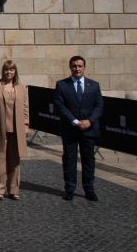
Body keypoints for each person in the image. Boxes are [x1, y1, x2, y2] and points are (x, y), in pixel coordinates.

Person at [54, 55, 104, 202]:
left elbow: (99, 105)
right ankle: (69, 189)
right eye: (74, 66)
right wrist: (75, 121)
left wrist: (90, 121)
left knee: (88, 160)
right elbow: (60, 105)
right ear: (70, 67)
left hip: (89, 129)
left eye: (80, 66)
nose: (77, 69)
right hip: (70, 129)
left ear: (84, 67)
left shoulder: (94, 85)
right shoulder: (62, 85)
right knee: (69, 159)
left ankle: (89, 189)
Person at [0, 60, 29, 200]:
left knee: (15, 159)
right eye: (6, 70)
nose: (9, 72)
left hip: (17, 129)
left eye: (11, 70)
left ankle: (14, 189)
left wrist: (26, 125)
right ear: (3, 71)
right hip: (0, 127)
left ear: (15, 71)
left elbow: (25, 108)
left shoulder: (21, 87)